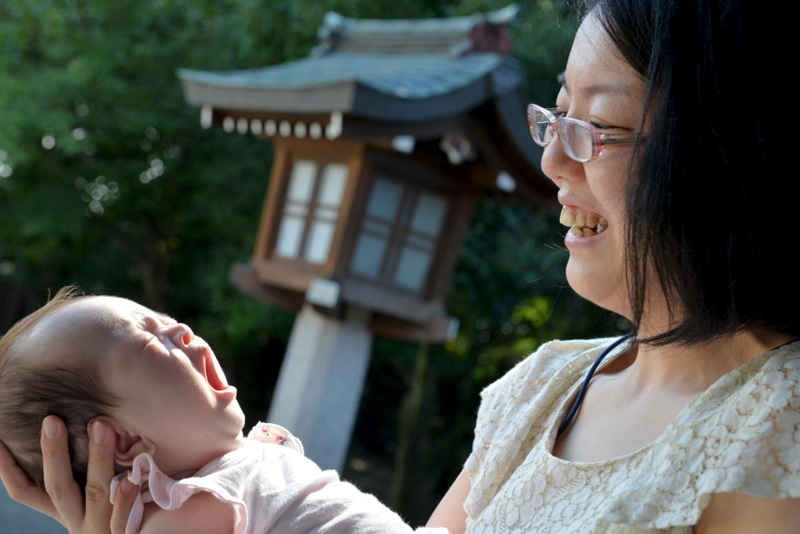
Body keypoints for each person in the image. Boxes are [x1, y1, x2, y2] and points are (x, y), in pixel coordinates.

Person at [2, 0, 799, 532]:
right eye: (557, 111)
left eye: (599, 123)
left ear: (726, 159)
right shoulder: (540, 389)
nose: (552, 155)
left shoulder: (775, 423)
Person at [0, 287, 445, 533]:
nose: (183, 329)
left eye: (163, 316)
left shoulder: (230, 468)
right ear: (125, 440)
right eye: (152, 339)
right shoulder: (185, 510)